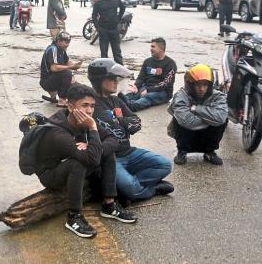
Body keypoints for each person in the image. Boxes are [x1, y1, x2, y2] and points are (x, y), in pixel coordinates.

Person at [35, 84, 133, 239]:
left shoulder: (85, 121)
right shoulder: (57, 130)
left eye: (92, 106)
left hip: (73, 164)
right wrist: (93, 129)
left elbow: (113, 140)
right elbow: (91, 159)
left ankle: (109, 205)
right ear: (71, 106)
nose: (89, 111)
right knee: (79, 162)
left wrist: (92, 144)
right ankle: (74, 217)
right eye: (85, 105)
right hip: (51, 174)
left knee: (107, 153)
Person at [88, 58, 174, 203]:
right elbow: (115, 127)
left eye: (116, 78)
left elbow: (136, 123)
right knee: (129, 186)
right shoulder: (90, 104)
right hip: (110, 158)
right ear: (99, 80)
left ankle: (125, 190)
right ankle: (149, 190)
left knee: (165, 165)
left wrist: (119, 121)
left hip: (129, 151)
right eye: (111, 78)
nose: (116, 81)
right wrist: (123, 123)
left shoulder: (117, 101)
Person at [169, 64, 228, 166]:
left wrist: (196, 109)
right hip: (187, 132)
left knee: (223, 120)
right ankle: (182, 151)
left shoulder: (218, 96)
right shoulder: (181, 95)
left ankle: (210, 151)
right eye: (198, 85)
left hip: (208, 133)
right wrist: (210, 118)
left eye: (205, 85)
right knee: (177, 118)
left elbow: (221, 117)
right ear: (191, 85)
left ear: (210, 85)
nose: (202, 89)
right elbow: (187, 121)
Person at [120, 38, 177, 111]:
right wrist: (136, 86)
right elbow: (141, 77)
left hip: (163, 92)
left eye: (153, 47)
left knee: (148, 96)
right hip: (146, 87)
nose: (150, 49)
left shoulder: (170, 63)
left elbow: (166, 83)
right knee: (131, 95)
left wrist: (149, 90)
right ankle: (119, 103)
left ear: (161, 48)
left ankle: (132, 106)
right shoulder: (147, 61)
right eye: (151, 46)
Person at [40, 31, 81, 107]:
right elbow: (54, 68)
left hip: (54, 78)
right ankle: (62, 100)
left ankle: (54, 95)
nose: (67, 45)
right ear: (58, 41)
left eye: (68, 43)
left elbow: (68, 62)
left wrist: (75, 66)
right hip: (47, 81)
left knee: (76, 84)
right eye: (66, 42)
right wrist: (70, 68)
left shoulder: (62, 50)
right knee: (67, 73)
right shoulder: (53, 49)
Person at [91, 0, 125, 64]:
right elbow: (94, 15)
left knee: (117, 52)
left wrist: (118, 19)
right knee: (104, 53)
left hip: (114, 29)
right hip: (103, 29)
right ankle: (104, 71)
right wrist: (97, 28)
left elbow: (122, 8)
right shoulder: (99, 2)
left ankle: (119, 69)